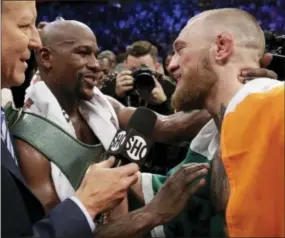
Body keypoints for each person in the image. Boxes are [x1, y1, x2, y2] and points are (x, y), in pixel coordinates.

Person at [1, 2, 209, 238]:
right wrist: (152, 213)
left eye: (95, 54)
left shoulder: (103, 105)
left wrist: (227, 92)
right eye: (83, 53)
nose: (96, 65)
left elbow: (170, 127)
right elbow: (65, 231)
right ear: (47, 58)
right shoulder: (31, 141)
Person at [168, 8, 284, 237]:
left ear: (221, 47)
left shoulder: (275, 104)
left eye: (180, 50)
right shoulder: (211, 140)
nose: (171, 64)